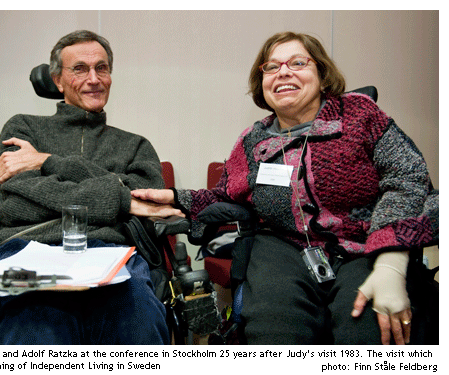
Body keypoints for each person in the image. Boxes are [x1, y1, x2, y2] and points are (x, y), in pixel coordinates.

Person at [131, 31, 439, 345]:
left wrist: (391, 263)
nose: (284, 72)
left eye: (297, 63)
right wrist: (174, 197)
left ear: (321, 74)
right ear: (261, 82)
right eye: (272, 67)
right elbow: (225, 194)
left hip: (363, 246)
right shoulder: (254, 139)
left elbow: (409, 179)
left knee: (365, 327)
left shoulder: (360, 115)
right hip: (282, 246)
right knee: (276, 330)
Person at [0, 30, 181, 345]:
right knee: (36, 332)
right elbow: (8, 205)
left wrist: (46, 162)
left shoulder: (136, 146)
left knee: (140, 320)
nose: (94, 78)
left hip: (110, 256)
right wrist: (116, 199)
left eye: (102, 68)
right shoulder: (23, 128)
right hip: (27, 253)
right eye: (79, 69)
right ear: (58, 81)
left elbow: (146, 201)